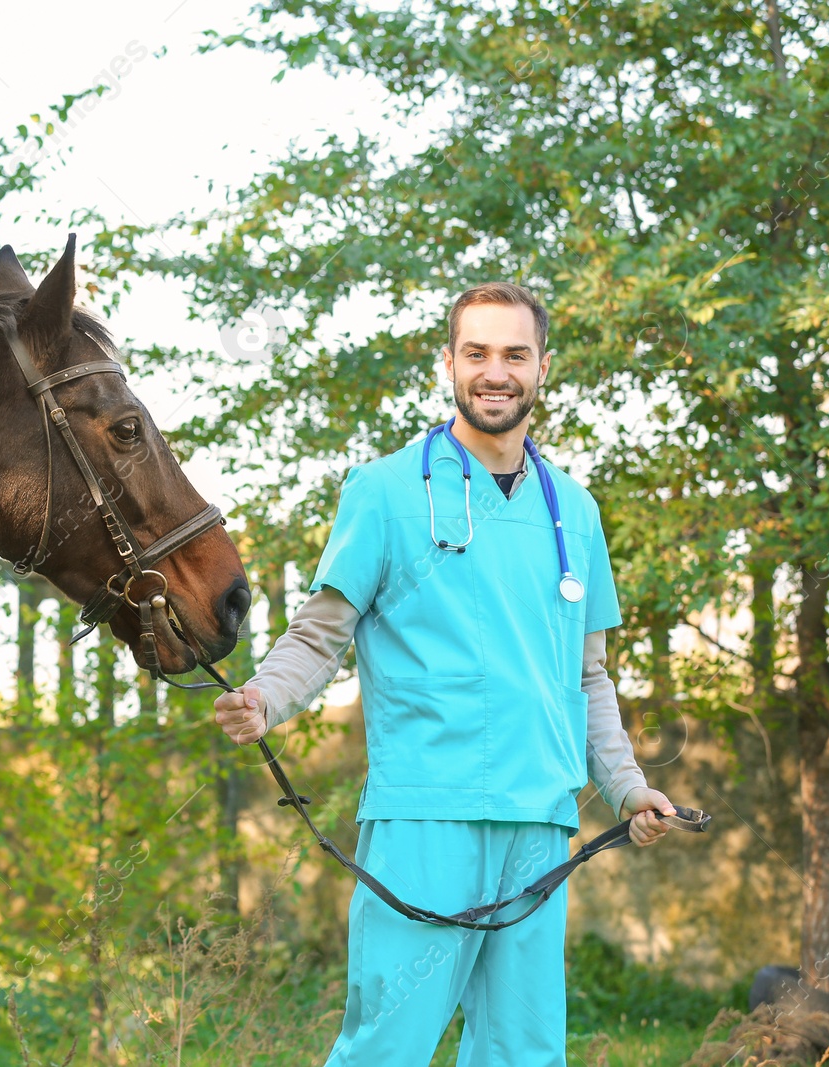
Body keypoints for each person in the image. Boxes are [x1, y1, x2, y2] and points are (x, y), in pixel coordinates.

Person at [215, 282, 675, 1065]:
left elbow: (588, 678)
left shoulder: (577, 509)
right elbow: (323, 632)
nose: (496, 371)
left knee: (524, 1053)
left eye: (514, 354)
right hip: (425, 816)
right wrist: (266, 696)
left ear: (541, 367)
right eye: (478, 353)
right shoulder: (387, 490)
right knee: (385, 1048)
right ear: (450, 363)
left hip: (540, 823)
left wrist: (630, 786)